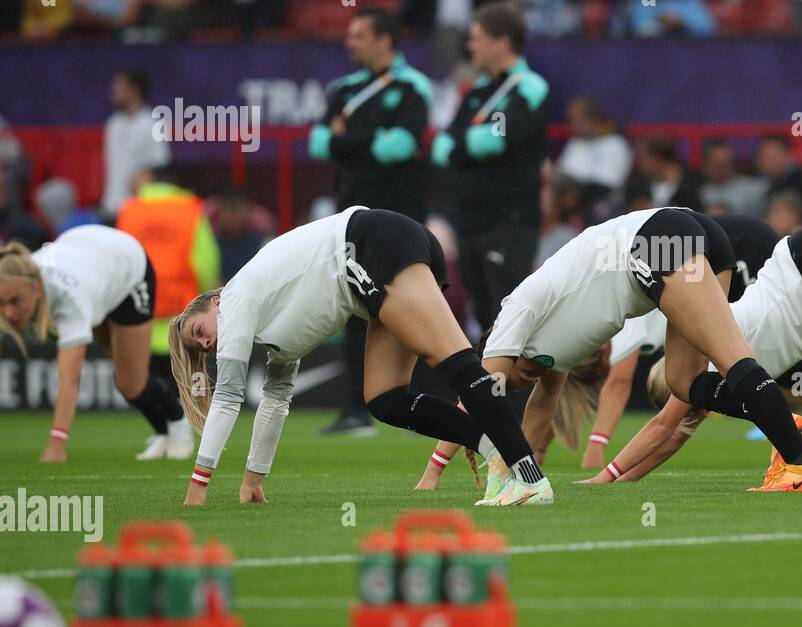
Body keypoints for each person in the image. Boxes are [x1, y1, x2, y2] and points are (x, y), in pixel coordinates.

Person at [417, 206, 802, 500]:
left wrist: (434, 472)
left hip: (658, 240)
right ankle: (781, 423)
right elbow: (541, 411)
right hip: (694, 234)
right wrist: (531, 469)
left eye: (512, 374)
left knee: (734, 358)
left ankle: (800, 466)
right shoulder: (550, 356)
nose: (521, 383)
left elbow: (479, 389)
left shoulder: (517, 308)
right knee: (684, 383)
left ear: (500, 346)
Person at [167, 207, 548, 506]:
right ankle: (496, 453)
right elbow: (275, 401)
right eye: (201, 348)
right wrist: (253, 480)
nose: (206, 344)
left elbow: (229, 396)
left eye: (199, 331)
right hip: (379, 252)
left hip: (369, 245)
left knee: (454, 361)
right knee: (385, 397)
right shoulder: (268, 326)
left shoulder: (235, 301)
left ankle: (529, 478)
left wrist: (198, 487)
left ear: (214, 302)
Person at [574, 213, 802, 482]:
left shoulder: (699, 364)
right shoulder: (699, 341)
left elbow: (664, 428)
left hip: (794, 289)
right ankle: (796, 437)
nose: (697, 415)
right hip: (793, 281)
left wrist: (606, 476)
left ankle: (799, 451)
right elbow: (672, 433)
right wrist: (627, 477)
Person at [308, 7, 435, 436]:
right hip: (350, 219)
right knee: (354, 310)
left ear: (385, 39)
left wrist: (346, 139)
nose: (350, 42)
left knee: (406, 307)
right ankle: (354, 410)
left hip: (400, 219)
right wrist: (361, 141)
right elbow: (318, 143)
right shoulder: (342, 89)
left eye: (358, 34)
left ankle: (408, 403)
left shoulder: (412, 86)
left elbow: (398, 147)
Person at [0, 228, 191, 463]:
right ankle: (164, 434)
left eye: (15, 302)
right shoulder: (18, 276)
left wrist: (57, 444)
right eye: (1, 302)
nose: (8, 312)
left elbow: (70, 380)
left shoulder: (70, 300)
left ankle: (178, 423)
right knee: (126, 377)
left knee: (130, 382)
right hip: (90, 258)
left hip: (126, 266)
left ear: (37, 290)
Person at [432, 1, 550, 337]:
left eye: (477, 38)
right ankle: (490, 389)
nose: (470, 47)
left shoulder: (529, 86)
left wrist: (463, 145)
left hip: (508, 221)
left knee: (508, 312)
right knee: (483, 315)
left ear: (502, 41)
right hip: (469, 221)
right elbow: (441, 148)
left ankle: (514, 390)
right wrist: (470, 144)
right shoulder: (478, 92)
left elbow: (497, 139)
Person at [114, 167, 221, 409]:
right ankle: (194, 425)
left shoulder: (129, 211)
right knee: (190, 385)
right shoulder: (190, 209)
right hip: (182, 311)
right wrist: (208, 294)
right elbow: (205, 261)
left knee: (152, 386)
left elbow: (119, 258)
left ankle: (166, 430)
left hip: (143, 314)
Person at [102, 69, 170, 220]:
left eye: (119, 87)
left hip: (137, 210)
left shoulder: (153, 122)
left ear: (134, 90)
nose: (114, 91)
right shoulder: (113, 123)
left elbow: (161, 165)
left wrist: (144, 176)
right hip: (110, 207)